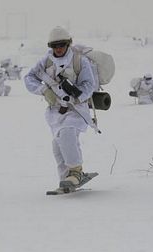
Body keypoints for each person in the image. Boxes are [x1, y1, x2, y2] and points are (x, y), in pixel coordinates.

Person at [24, 26, 96, 189]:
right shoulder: (45, 61)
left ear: (68, 44)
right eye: (54, 46)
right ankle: (66, 179)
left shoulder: (79, 60)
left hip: (75, 109)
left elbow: (89, 84)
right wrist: (44, 90)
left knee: (67, 134)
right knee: (58, 145)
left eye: (61, 45)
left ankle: (76, 172)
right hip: (55, 110)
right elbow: (29, 78)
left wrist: (76, 94)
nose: (58, 49)